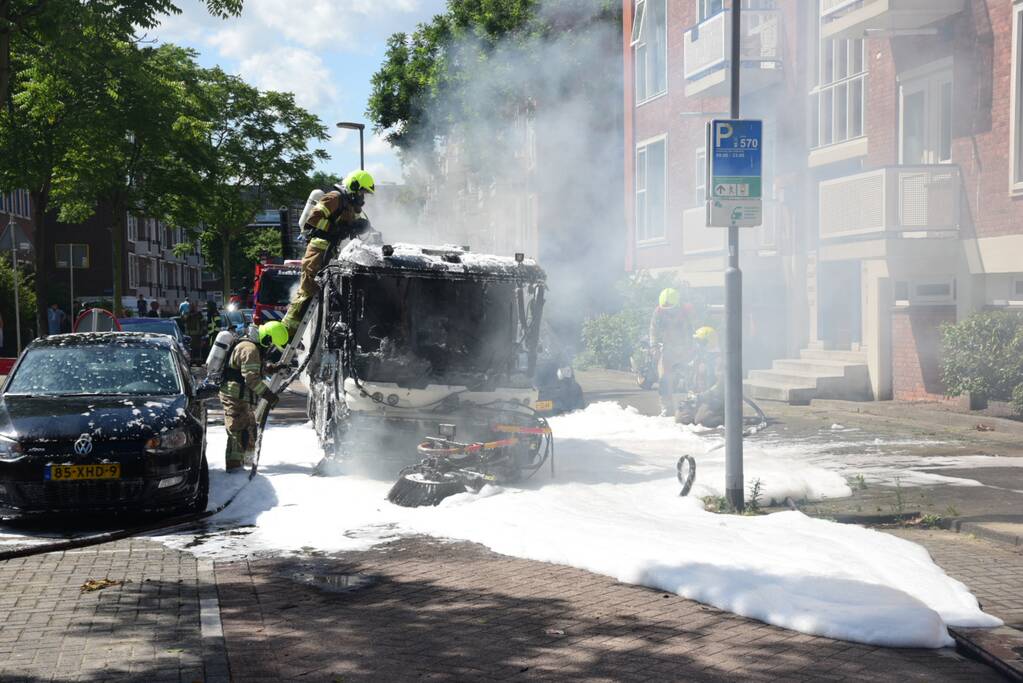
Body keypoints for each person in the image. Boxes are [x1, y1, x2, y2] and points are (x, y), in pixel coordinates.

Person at [281, 170, 376, 341]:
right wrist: (337, 229)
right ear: (353, 187)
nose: (363, 197)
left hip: (330, 253)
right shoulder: (334, 198)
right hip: (317, 250)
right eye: (362, 192)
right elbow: (314, 219)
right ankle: (286, 334)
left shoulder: (350, 205)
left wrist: (363, 227)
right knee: (307, 291)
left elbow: (354, 224)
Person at [219, 321, 287, 471]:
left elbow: (254, 368)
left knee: (250, 429)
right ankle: (234, 470)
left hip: (241, 395)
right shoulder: (250, 349)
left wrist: (272, 368)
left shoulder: (252, 346)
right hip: (234, 396)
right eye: (271, 344)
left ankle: (248, 463)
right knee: (237, 431)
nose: (270, 348)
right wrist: (268, 395)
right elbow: (251, 379)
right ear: (267, 339)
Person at [649, 288, 693, 416]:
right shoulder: (658, 312)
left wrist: (689, 349)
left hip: (685, 348)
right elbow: (653, 330)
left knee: (689, 379)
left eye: (671, 308)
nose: (668, 311)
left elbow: (691, 331)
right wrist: (654, 347)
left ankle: (691, 407)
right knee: (664, 379)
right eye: (665, 308)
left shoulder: (686, 312)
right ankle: (666, 408)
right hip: (667, 348)